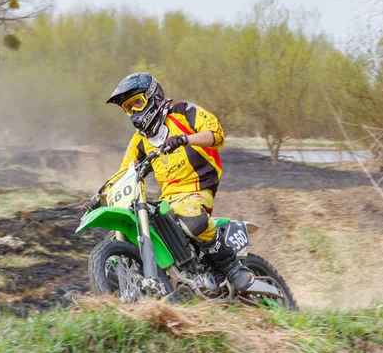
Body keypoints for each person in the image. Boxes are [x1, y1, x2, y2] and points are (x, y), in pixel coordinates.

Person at [82, 72, 254, 292]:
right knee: (140, 225)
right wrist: (96, 200)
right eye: (128, 108)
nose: (134, 112)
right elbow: (123, 174)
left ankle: (232, 267)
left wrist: (184, 139)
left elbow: (216, 134)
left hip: (197, 187)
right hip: (169, 198)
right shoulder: (140, 141)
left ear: (153, 96)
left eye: (137, 103)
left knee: (191, 216)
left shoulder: (183, 112)